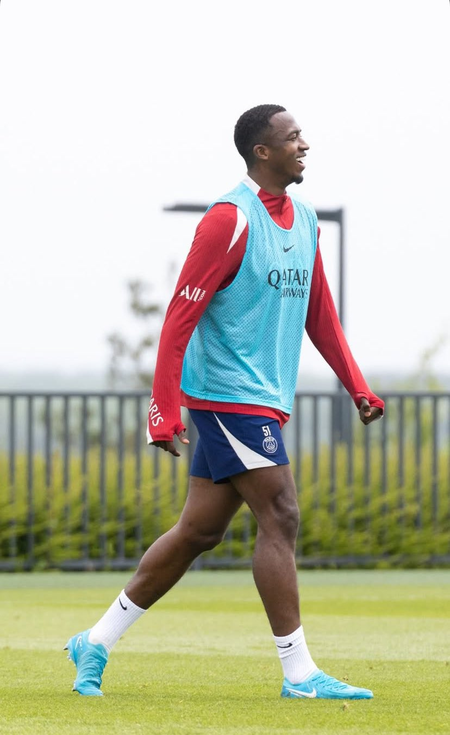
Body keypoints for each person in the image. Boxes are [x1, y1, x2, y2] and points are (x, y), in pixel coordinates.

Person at [65, 104, 384, 699]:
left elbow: (320, 313)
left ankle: (96, 640)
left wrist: (357, 386)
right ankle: (300, 674)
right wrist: (163, 410)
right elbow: (178, 318)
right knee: (281, 513)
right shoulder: (227, 220)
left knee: (198, 532)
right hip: (226, 396)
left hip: (261, 399)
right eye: (293, 137)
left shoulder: (305, 219)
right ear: (262, 151)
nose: (305, 145)